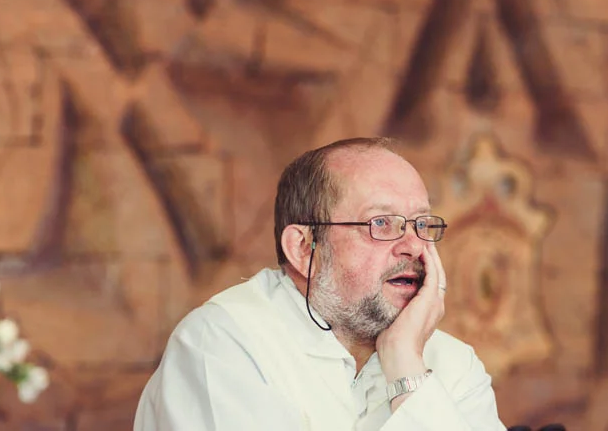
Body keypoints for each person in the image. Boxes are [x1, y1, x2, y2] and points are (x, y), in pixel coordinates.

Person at [134, 137, 507, 430]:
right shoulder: (221, 343)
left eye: (422, 224)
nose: (413, 245)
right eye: (381, 223)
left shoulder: (453, 363)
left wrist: (405, 364)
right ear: (303, 248)